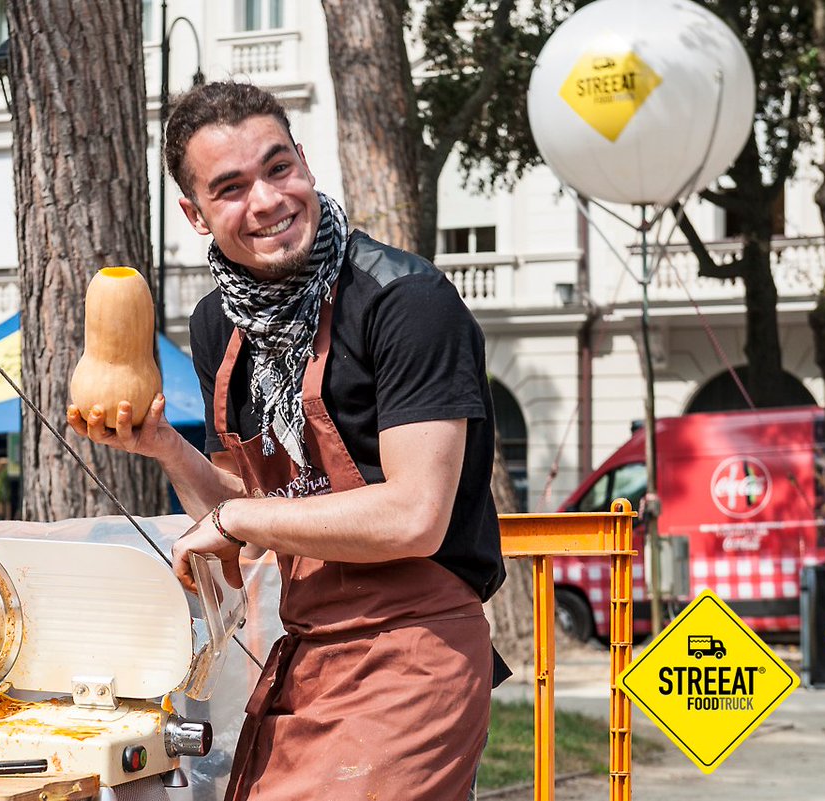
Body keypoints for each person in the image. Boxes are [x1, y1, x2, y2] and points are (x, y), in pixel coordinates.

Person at [68, 81, 506, 801]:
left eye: (279, 168)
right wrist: (165, 448)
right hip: (307, 654)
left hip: (416, 654)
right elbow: (246, 513)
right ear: (195, 213)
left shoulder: (407, 301)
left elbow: (415, 515)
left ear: (305, 162)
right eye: (232, 188)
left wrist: (238, 519)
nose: (268, 201)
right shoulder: (218, 326)